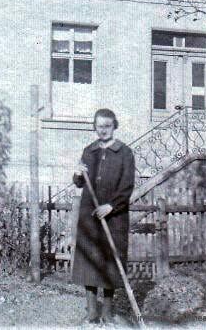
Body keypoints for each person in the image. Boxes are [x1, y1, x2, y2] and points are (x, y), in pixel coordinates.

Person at [72, 108, 135, 324]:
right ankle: (91, 311)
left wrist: (111, 206)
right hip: (90, 215)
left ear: (114, 126)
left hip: (113, 217)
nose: (103, 130)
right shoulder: (89, 151)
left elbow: (127, 186)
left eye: (107, 126)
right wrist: (78, 174)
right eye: (99, 126)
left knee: (110, 263)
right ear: (95, 127)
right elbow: (79, 183)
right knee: (89, 260)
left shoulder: (125, 153)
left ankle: (107, 312)